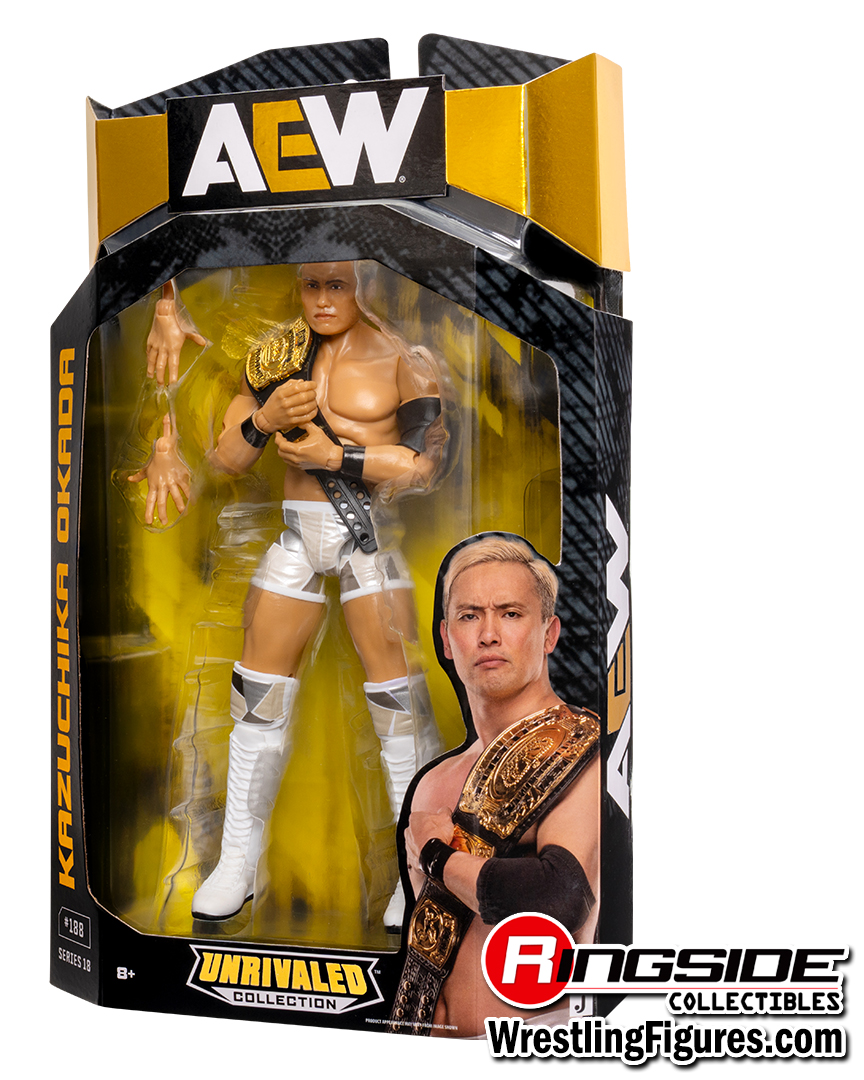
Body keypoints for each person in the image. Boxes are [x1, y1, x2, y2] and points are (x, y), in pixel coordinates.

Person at [129, 262, 445, 926]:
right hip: (297, 538)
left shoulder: (405, 362)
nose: (323, 299)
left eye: (338, 285)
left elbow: (422, 467)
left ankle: (414, 871)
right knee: (256, 698)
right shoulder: (274, 356)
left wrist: (338, 459)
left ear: (364, 285)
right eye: (312, 285)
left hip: (367, 539)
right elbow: (225, 459)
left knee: (398, 704)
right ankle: (237, 863)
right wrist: (264, 419)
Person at [390, 534, 600, 1036]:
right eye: (469, 616)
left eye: (510, 614)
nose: (488, 634)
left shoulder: (580, 752)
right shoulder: (433, 784)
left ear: (549, 633)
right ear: (447, 640)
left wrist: (437, 856)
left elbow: (559, 898)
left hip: (527, 1053)